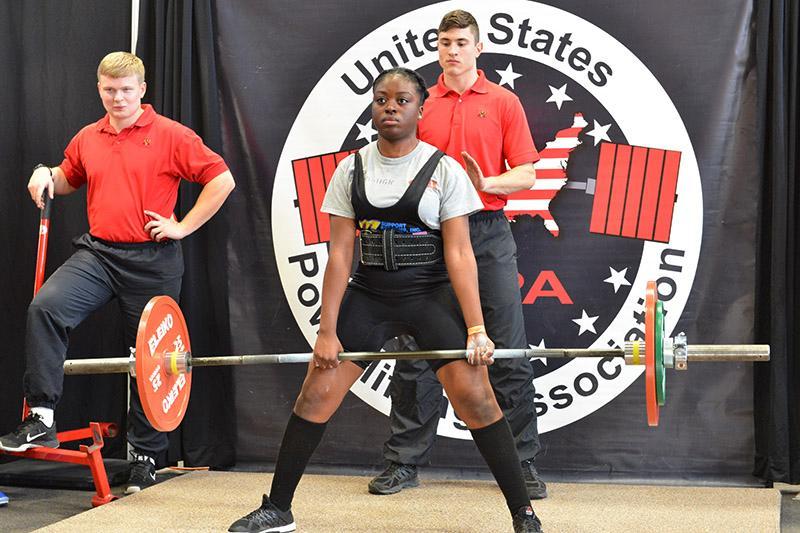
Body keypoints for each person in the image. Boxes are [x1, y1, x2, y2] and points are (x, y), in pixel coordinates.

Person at [228, 68, 543, 533]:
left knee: (477, 399)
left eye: (401, 100)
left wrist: (476, 328)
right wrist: (327, 331)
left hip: (430, 297)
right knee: (315, 393)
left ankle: (523, 513)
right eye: (381, 100)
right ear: (373, 108)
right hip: (371, 295)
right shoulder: (351, 168)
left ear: (420, 108)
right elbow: (339, 255)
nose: (390, 107)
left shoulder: (444, 169)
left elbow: (459, 254)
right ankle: (278, 509)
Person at [0, 52, 235, 494]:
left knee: (150, 358)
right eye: (109, 90)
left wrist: (181, 226)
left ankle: (145, 457)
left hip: (153, 259)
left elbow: (221, 178)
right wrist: (42, 172)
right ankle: (41, 418)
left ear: (142, 90)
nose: (118, 98)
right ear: (99, 89)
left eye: (126, 89)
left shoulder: (171, 135)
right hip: (100, 255)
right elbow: (67, 178)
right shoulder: (90, 136)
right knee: (46, 309)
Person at [369, 9, 547, 500]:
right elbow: (394, 158)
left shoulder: (505, 102)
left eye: (462, 42)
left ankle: (523, 464)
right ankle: (403, 464)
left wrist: (486, 183)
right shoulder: (419, 102)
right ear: (438, 48)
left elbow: (528, 175)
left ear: (478, 47)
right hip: (423, 233)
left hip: (486, 230)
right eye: (444, 42)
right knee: (414, 352)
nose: (452, 50)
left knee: (508, 349)